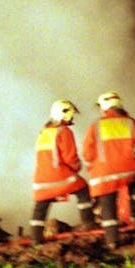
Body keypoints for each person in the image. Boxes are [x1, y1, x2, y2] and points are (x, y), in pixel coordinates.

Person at [82, 91, 135, 249]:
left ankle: (112, 241)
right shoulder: (131, 123)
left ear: (104, 108)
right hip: (130, 171)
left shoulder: (95, 126)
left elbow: (87, 152)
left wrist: (91, 167)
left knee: (108, 206)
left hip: (105, 174)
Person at [29, 99, 96, 244]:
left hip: (40, 180)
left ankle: (35, 238)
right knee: (83, 189)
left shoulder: (44, 132)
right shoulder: (64, 131)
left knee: (40, 207)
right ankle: (90, 225)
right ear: (65, 115)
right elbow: (70, 157)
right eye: (71, 115)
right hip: (59, 177)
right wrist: (77, 167)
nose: (72, 118)